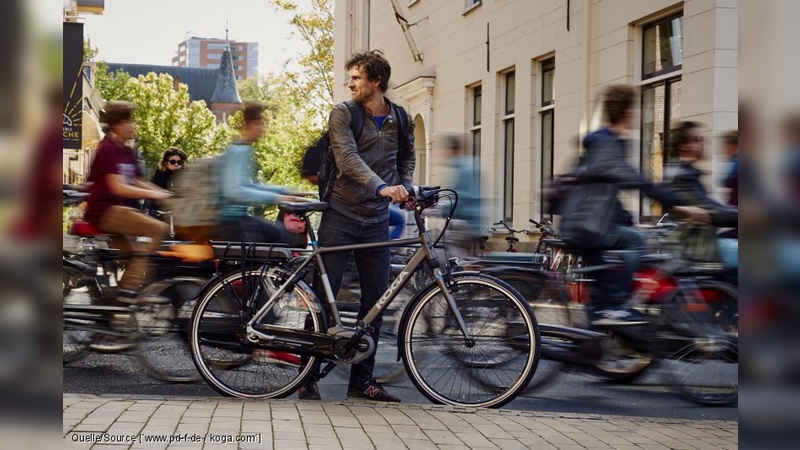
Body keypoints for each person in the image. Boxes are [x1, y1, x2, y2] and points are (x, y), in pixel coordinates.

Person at [297, 50, 415, 402]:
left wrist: (405, 186)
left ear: (375, 81)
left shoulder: (401, 118)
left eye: (356, 78)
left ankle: (362, 382)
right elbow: (347, 159)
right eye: (350, 78)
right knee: (322, 298)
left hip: (376, 220)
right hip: (342, 215)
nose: (349, 84)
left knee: (376, 301)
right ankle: (307, 377)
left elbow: (406, 156)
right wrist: (382, 187)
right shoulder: (343, 114)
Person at [560, 85, 708, 326]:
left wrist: (631, 220)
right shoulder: (608, 143)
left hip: (585, 223)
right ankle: (616, 304)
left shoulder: (605, 142)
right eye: (637, 107)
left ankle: (601, 324)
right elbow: (635, 180)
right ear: (626, 111)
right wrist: (678, 206)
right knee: (635, 241)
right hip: (585, 226)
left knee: (616, 258)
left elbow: (606, 194)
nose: (641, 112)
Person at [84, 101, 173, 304]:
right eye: (127, 121)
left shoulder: (125, 150)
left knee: (137, 258)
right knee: (158, 230)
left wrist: (167, 194)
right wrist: (156, 196)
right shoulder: (107, 149)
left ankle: (116, 306)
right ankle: (127, 293)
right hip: (105, 211)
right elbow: (118, 187)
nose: (132, 125)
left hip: (117, 210)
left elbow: (137, 180)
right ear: (115, 124)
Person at [216, 101, 309, 244]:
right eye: (259, 124)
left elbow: (250, 186)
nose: (262, 130)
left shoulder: (243, 149)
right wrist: (277, 198)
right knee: (278, 234)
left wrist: (284, 192)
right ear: (248, 125)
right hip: (232, 222)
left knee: (275, 233)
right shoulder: (238, 151)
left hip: (237, 220)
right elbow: (233, 191)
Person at [668, 121, 738, 273]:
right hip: (697, 248)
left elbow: (714, 206)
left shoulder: (687, 173)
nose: (703, 143)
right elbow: (710, 210)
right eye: (697, 139)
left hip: (701, 243)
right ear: (684, 146)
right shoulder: (682, 176)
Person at [143, 147, 187, 218]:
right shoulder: (159, 177)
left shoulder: (185, 178)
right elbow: (150, 201)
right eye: (172, 162)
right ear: (166, 163)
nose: (176, 164)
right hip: (158, 215)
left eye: (179, 162)